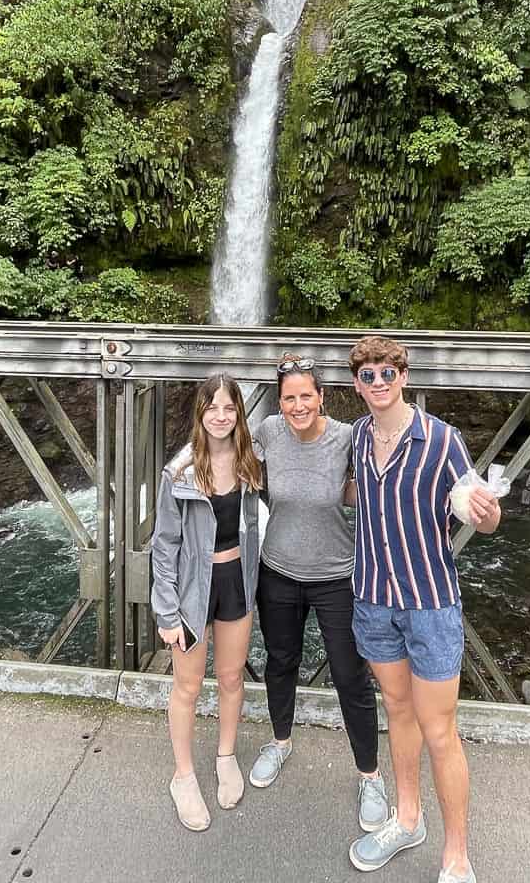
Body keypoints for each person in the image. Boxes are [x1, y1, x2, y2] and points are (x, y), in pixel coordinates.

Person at [346, 336, 501, 883]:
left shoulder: (443, 440)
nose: (379, 383)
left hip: (430, 603)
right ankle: (407, 819)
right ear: (357, 385)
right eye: (368, 375)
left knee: (441, 730)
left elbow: (480, 515)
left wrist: (486, 512)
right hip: (372, 598)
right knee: (398, 710)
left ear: (403, 376)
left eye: (388, 372)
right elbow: (346, 494)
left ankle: (457, 854)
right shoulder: (360, 440)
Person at [249, 352, 388, 833]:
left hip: (336, 576)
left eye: (306, 396)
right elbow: (226, 453)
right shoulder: (267, 431)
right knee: (280, 660)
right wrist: (184, 470)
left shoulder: (347, 437)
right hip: (278, 571)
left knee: (351, 675)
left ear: (322, 397)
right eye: (290, 397)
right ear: (280, 401)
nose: (298, 405)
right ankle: (280, 741)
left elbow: (381, 469)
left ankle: (370, 775)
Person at [151, 373, 263, 832]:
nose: (221, 416)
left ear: (239, 414)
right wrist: (167, 611)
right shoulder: (178, 474)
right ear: (200, 414)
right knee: (188, 686)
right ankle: (183, 776)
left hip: (238, 579)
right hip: (193, 588)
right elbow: (163, 546)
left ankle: (226, 756)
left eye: (229, 408)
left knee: (233, 676)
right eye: (212, 408)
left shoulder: (251, 464)